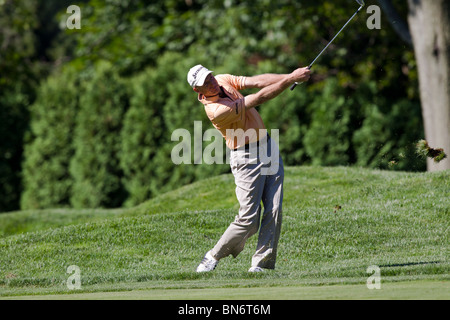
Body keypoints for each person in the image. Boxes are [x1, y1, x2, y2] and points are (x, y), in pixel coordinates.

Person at [187, 65, 311, 272]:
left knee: (274, 209)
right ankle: (213, 255)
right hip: (245, 157)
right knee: (249, 219)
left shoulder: (221, 79)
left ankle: (261, 265)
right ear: (197, 91)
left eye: (210, 76)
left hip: (267, 146)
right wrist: (290, 80)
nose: (211, 82)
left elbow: (255, 81)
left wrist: (290, 76)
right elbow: (258, 98)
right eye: (205, 83)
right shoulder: (216, 111)